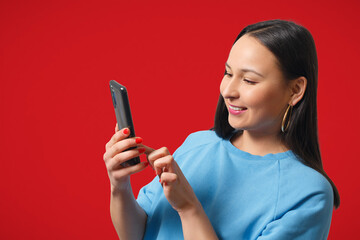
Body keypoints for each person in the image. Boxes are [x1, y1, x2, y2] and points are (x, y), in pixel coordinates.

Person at [103, 19, 340, 240]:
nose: (228, 90)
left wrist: (188, 207)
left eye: (249, 80)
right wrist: (119, 186)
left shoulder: (309, 193)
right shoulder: (197, 144)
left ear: (295, 90)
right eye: (228, 73)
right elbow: (137, 233)